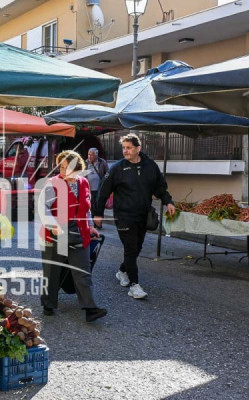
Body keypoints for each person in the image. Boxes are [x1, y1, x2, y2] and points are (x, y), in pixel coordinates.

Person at [93, 133, 175, 299]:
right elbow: (102, 192)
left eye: (129, 148)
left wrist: (168, 201)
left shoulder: (150, 166)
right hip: (124, 216)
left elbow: (159, 188)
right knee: (130, 248)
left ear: (138, 148)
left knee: (137, 248)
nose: (125, 151)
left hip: (143, 215)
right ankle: (134, 285)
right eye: (124, 148)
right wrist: (98, 214)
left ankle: (123, 271)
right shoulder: (117, 168)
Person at [39, 150, 107, 322]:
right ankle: (48, 304)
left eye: (66, 167)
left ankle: (90, 309)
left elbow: (87, 208)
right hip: (56, 232)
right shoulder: (53, 183)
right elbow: (43, 208)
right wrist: (52, 225)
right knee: (52, 271)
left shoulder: (83, 182)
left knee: (83, 271)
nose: (62, 170)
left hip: (80, 232)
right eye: (61, 166)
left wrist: (90, 225)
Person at [84, 148, 108, 215]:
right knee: (90, 208)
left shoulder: (102, 162)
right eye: (89, 154)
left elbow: (107, 174)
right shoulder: (85, 163)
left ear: (96, 155)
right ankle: (92, 223)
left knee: (99, 208)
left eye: (92, 155)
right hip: (89, 190)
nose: (89, 156)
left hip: (99, 190)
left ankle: (98, 224)